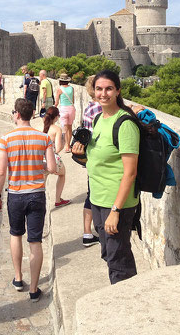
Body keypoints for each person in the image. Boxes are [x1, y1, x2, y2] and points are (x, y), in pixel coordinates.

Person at [72, 69, 140, 284]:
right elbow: (95, 159)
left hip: (115, 202)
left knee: (119, 262)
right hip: (97, 199)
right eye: (99, 89)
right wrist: (81, 155)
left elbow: (130, 172)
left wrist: (116, 211)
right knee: (108, 255)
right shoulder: (99, 118)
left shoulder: (125, 123)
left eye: (109, 88)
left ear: (118, 91)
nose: (103, 93)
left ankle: (126, 306)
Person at [0, 98, 56, 302]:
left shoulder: (6, 139)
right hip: (37, 194)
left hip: (16, 195)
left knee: (15, 234)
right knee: (35, 241)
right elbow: (52, 168)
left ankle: (19, 278)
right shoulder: (44, 138)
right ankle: (34, 289)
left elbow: (1, 171)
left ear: (17, 114)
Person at [81, 75, 102, 247]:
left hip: (91, 157)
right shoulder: (100, 109)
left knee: (90, 194)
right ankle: (100, 230)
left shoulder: (89, 108)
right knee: (99, 195)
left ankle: (87, 233)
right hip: (100, 159)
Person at [42, 106, 70, 208]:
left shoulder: (43, 127)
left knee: (42, 183)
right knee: (62, 174)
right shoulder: (57, 129)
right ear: (56, 117)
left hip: (42, 158)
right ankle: (58, 200)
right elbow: (57, 149)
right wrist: (64, 140)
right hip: (52, 159)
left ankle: (40, 204)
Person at [54, 73, 76, 153]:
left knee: (65, 129)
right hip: (71, 109)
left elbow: (56, 102)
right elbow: (73, 100)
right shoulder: (72, 88)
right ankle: (68, 144)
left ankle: (66, 146)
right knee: (70, 127)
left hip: (63, 109)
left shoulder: (59, 89)